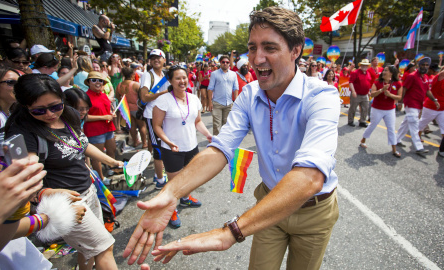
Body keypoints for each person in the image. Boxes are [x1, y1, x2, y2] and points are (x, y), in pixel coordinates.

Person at [124, 7, 339, 270]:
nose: (257, 59)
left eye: (269, 48)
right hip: (268, 205)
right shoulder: (249, 94)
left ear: (295, 50)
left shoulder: (322, 96)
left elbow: (310, 176)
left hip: (314, 213)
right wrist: (170, 193)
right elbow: (220, 149)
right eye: (252, 48)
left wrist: (229, 233)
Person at [5, 74, 121, 270]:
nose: (50, 114)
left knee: (88, 249)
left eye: (56, 106)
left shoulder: (70, 115)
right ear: (25, 107)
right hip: (65, 203)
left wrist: (112, 161)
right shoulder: (24, 132)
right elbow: (28, 173)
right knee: (104, 247)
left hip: (88, 191)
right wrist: (41, 192)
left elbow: (82, 145)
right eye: (39, 110)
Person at [150, 65, 212, 228]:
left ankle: (185, 199)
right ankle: (170, 210)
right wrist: (168, 142)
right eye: (177, 78)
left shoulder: (193, 98)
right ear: (170, 81)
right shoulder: (163, 100)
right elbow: (156, 126)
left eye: (184, 77)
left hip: (191, 146)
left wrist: (208, 135)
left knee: (188, 177)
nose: (182, 81)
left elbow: (197, 121)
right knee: (174, 183)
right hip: (172, 149)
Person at [396, 57, 440, 156]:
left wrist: (434, 100)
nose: (425, 67)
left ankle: (396, 139)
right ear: (418, 65)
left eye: (426, 65)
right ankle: (419, 147)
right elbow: (404, 89)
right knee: (414, 124)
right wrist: (400, 102)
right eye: (423, 65)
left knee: (406, 123)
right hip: (411, 104)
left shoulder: (424, 77)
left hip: (418, 105)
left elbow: (427, 91)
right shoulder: (412, 76)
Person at [139, 49, 169, 187]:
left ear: (164, 60)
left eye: (159, 57)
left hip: (164, 115)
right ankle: (159, 180)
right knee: (157, 148)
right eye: (153, 58)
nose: (156, 60)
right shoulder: (147, 75)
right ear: (150, 61)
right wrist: (162, 92)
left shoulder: (163, 75)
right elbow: (144, 97)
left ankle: (162, 173)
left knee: (165, 145)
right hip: (152, 116)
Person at [82, 72, 118, 183]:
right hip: (95, 130)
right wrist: (103, 117)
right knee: (97, 156)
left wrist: (111, 114)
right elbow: (84, 116)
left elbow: (106, 109)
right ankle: (100, 178)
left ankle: (111, 169)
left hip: (108, 128)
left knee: (112, 150)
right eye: (94, 80)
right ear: (88, 82)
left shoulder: (103, 94)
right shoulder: (85, 97)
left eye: (100, 80)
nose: (98, 82)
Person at [360, 65, 403, 157]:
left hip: (390, 110)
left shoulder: (398, 83)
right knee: (372, 125)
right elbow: (372, 94)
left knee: (391, 129)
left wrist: (390, 95)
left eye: (386, 71)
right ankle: (363, 140)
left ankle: (394, 149)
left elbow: (399, 97)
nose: (383, 72)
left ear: (392, 73)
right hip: (377, 109)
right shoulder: (377, 82)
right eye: (383, 71)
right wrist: (381, 90)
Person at [207, 55, 239, 135]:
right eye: (223, 62)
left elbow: (236, 88)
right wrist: (210, 102)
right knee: (217, 126)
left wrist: (236, 102)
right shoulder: (214, 74)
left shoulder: (233, 74)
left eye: (227, 62)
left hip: (229, 104)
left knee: (227, 125)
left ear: (229, 63)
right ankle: (216, 144)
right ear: (220, 63)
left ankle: (224, 143)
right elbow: (210, 88)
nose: (225, 64)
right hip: (217, 103)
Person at [117, 67, 147, 148]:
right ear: (132, 75)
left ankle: (135, 142)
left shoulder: (119, 85)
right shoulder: (135, 84)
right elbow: (142, 97)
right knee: (142, 126)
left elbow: (118, 97)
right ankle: (144, 143)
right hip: (136, 108)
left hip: (126, 108)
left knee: (132, 126)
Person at [348, 59, 373, 127]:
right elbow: (351, 82)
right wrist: (353, 91)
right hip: (357, 94)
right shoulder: (355, 73)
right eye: (363, 65)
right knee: (353, 108)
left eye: (366, 65)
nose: (365, 66)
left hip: (365, 94)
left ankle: (362, 121)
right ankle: (350, 121)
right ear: (361, 65)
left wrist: (368, 91)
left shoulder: (368, 73)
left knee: (365, 108)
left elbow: (367, 83)